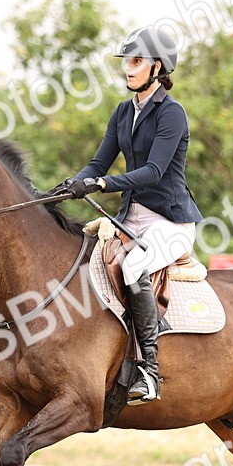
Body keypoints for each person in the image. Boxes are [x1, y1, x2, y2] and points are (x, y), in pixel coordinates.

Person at [51, 26, 204, 405]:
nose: (128, 69)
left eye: (136, 62)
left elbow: (153, 171)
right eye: (127, 62)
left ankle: (150, 372)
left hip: (170, 223)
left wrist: (102, 184)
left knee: (134, 268)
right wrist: (71, 185)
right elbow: (98, 162)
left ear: (157, 67)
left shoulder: (172, 115)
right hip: (130, 220)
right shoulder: (123, 112)